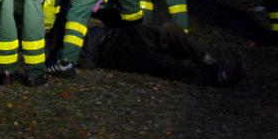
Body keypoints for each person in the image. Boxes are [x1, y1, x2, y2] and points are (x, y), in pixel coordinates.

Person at [82, 20, 245, 88]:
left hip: (116, 32)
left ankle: (210, 63)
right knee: (160, 63)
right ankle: (216, 78)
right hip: (106, 51)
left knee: (167, 29)